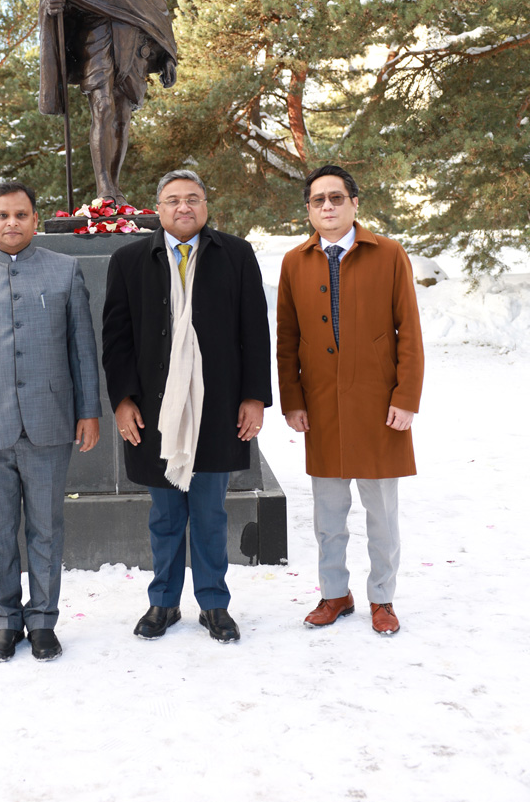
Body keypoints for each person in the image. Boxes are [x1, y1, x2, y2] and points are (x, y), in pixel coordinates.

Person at [102, 170, 272, 643]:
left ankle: (214, 604)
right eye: (173, 200)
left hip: (217, 408)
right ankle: (163, 602)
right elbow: (116, 341)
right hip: (155, 411)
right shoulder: (130, 259)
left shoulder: (235, 255)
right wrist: (122, 400)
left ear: (205, 205)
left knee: (211, 513)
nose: (183, 207)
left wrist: (255, 397)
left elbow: (255, 330)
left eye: (193, 198)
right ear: (157, 209)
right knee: (165, 515)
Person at [0, 181, 101, 662]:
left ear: (36, 219)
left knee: (47, 526)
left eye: (21, 215)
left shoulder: (65, 270)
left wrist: (88, 411)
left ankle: (44, 621)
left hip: (50, 421)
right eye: (3, 215)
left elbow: (82, 350)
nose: (12, 223)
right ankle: (6, 621)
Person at [276, 165, 424, 635]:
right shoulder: (294, 262)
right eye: (318, 200)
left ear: (354, 203)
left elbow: (409, 334)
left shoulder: (389, 253)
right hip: (321, 407)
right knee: (328, 514)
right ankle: (334, 593)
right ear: (308, 211)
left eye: (336, 198)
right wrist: (292, 401)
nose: (328, 207)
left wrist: (406, 397)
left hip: (380, 406)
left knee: (381, 513)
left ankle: (383, 598)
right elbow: (287, 339)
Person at [39, 0, 178, 205]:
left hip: (136, 39)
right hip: (96, 34)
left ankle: (115, 187)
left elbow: (155, 1)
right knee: (102, 105)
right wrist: (50, 0)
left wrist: (168, 52)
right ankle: (104, 191)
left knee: (122, 112)